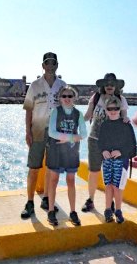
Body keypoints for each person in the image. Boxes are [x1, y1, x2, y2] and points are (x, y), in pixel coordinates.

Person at [21, 52, 66, 219]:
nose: (50, 66)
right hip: (37, 131)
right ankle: (30, 202)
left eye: (53, 63)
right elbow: (28, 110)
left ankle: (47, 198)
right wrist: (27, 131)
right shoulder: (34, 85)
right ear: (43, 65)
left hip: (55, 132)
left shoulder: (62, 85)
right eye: (47, 63)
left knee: (51, 167)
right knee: (33, 168)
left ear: (57, 65)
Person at [81, 73, 129, 212]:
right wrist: (72, 119)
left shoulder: (121, 100)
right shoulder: (96, 98)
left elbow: (124, 118)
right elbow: (87, 116)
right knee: (94, 171)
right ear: (103, 86)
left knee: (113, 173)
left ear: (116, 86)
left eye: (112, 84)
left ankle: (111, 202)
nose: (109, 86)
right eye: (107, 84)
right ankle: (90, 200)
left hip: (113, 143)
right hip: (95, 140)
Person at [46, 86, 87, 226]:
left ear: (74, 97)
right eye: (64, 96)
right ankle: (51, 211)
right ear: (60, 98)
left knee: (71, 181)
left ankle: (73, 212)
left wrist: (68, 138)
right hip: (56, 151)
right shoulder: (55, 112)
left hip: (71, 152)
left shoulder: (78, 114)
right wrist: (72, 137)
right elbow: (51, 132)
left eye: (70, 96)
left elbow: (84, 134)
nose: (67, 99)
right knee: (53, 180)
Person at [98, 96, 137, 223]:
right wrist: (103, 151)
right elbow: (100, 143)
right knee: (108, 186)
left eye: (115, 108)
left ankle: (118, 210)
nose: (113, 111)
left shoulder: (126, 125)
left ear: (120, 109)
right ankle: (108, 210)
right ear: (106, 110)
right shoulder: (104, 125)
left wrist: (121, 152)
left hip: (121, 161)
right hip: (107, 161)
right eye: (110, 109)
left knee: (118, 187)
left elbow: (133, 147)